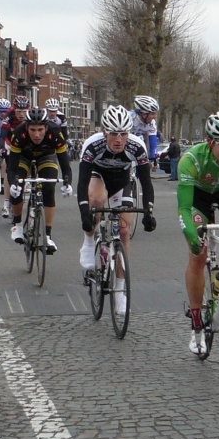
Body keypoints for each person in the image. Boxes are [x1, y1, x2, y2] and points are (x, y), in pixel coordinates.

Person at [177, 111, 219, 357]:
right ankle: (196, 322)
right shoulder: (191, 159)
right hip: (198, 198)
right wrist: (194, 238)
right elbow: (184, 208)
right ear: (209, 141)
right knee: (199, 255)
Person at [77, 105, 156, 314]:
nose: (119, 139)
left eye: (123, 134)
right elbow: (82, 183)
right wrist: (85, 213)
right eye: (114, 134)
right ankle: (88, 242)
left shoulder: (137, 146)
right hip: (98, 175)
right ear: (105, 133)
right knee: (96, 200)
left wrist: (149, 212)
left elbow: (146, 183)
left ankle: (121, 290)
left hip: (121, 180)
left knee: (123, 231)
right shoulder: (92, 145)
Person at [8, 107, 73, 252]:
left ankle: (48, 236)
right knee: (17, 188)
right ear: (26, 128)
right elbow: (11, 167)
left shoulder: (56, 132)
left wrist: (68, 182)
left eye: (40, 130)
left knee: (49, 189)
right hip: (24, 157)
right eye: (32, 130)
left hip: (46, 156)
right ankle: (17, 225)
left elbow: (65, 165)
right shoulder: (18, 133)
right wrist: (13, 183)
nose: (37, 134)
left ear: (46, 127)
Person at [130, 95, 159, 171]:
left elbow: (153, 142)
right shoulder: (129, 119)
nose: (154, 117)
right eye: (152, 114)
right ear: (144, 114)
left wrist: (153, 159)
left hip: (137, 141)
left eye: (155, 113)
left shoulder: (152, 123)